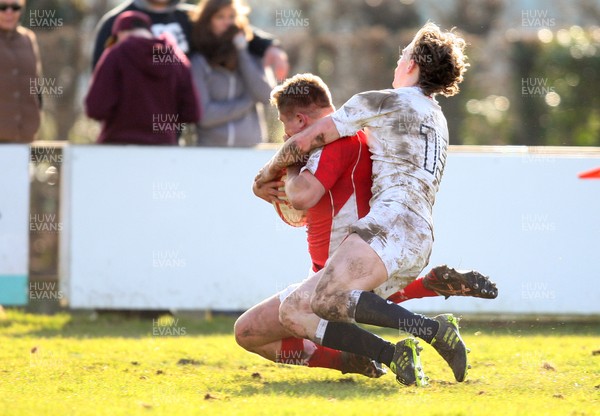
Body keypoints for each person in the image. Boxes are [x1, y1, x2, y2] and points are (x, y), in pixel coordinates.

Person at [238, 72, 496, 383]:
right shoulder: (351, 139)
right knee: (256, 329)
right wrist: (270, 191)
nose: (285, 133)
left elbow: (302, 198)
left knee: (284, 317)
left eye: (285, 123)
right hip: (370, 255)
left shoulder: (333, 144)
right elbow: (311, 212)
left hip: (342, 266)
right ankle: (373, 341)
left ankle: (389, 350)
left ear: (301, 120)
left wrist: (286, 166)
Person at [91, 0, 289, 81]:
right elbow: (99, 75)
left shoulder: (191, 18)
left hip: (183, 122)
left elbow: (233, 29)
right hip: (129, 124)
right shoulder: (117, 22)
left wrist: (270, 47)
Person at [85, 11, 200, 145]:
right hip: (164, 148)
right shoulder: (176, 58)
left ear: (120, 33)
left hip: (117, 146)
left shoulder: (115, 55)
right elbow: (192, 113)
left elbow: (96, 108)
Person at [189, 0, 275, 147]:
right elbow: (204, 116)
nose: (227, 22)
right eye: (220, 17)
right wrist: (247, 103)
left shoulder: (252, 55)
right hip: (210, 153)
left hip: (251, 151)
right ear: (208, 22)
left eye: (232, 16)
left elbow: (268, 96)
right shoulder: (198, 62)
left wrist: (242, 52)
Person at [0, 0, 42, 143]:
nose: (9, 12)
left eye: (15, 7)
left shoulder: (27, 39)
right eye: (3, 7)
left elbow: (36, 86)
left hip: (24, 136)